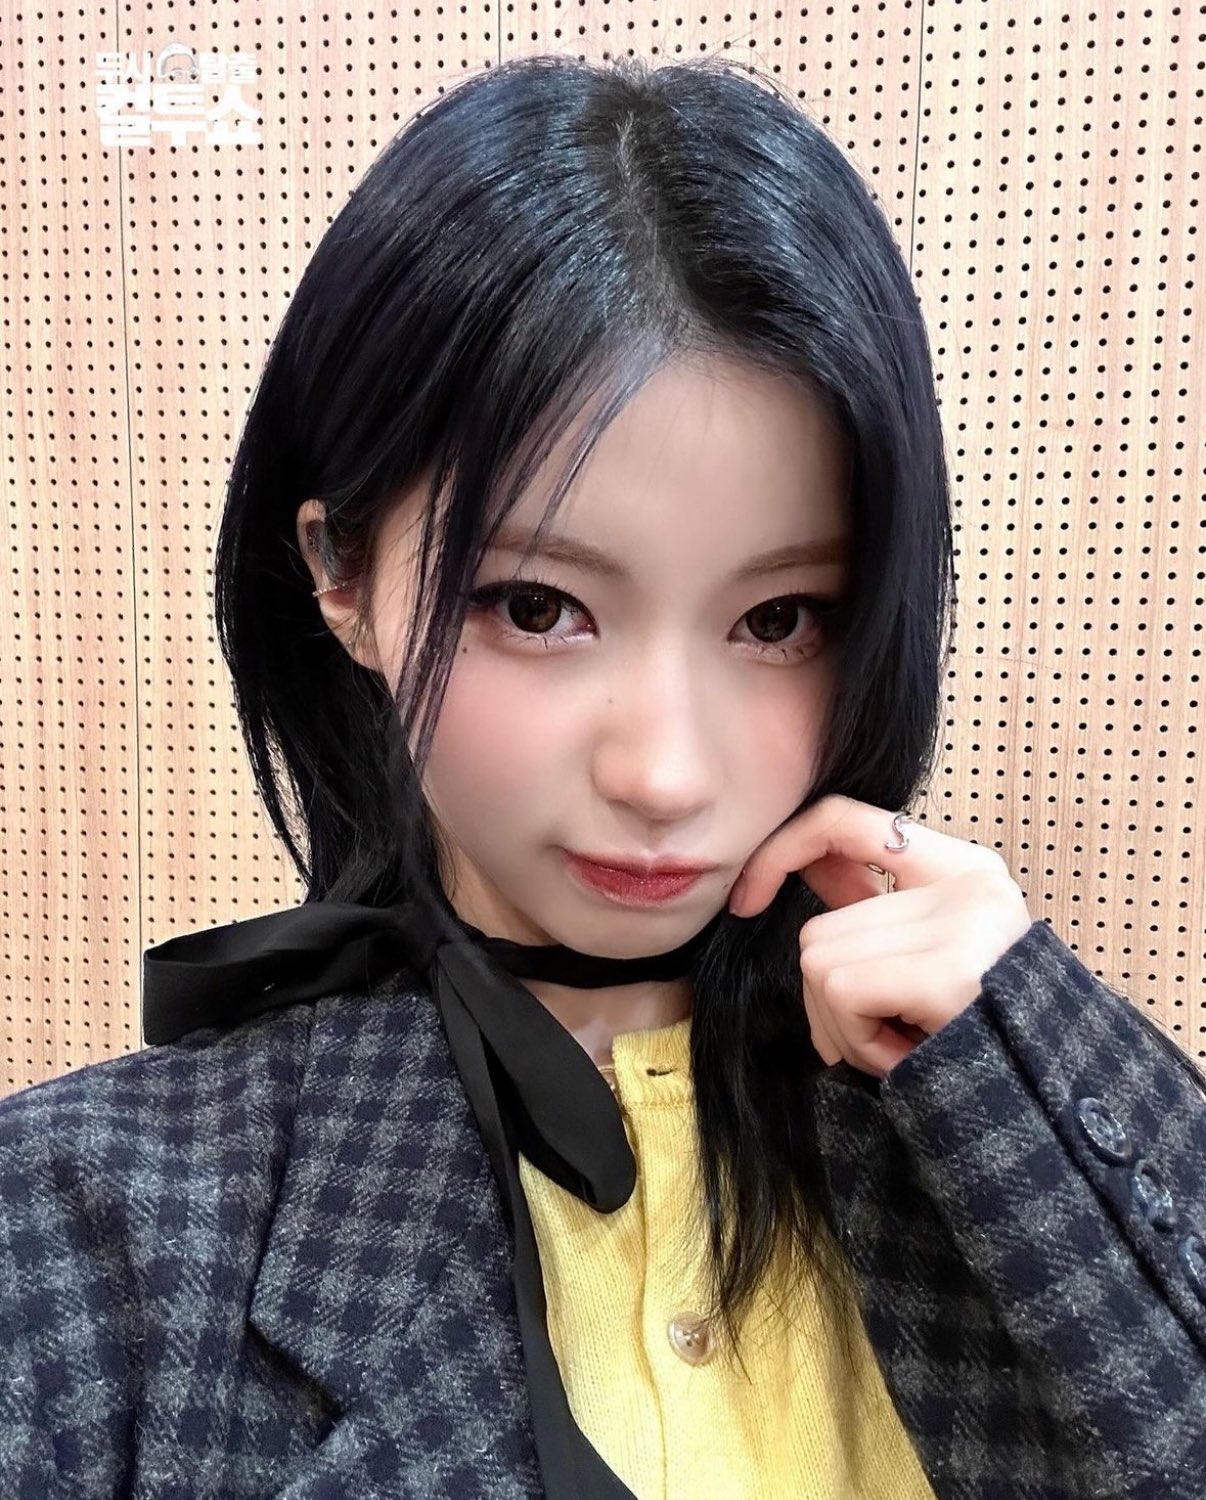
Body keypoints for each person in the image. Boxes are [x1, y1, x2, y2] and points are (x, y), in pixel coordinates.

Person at [2, 50, 1205, 1500]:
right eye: (536, 607)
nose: (666, 772)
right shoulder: (81, 1231)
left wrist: (1037, 1050)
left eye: (780, 620)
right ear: (342, 576)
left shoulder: (1007, 1126)